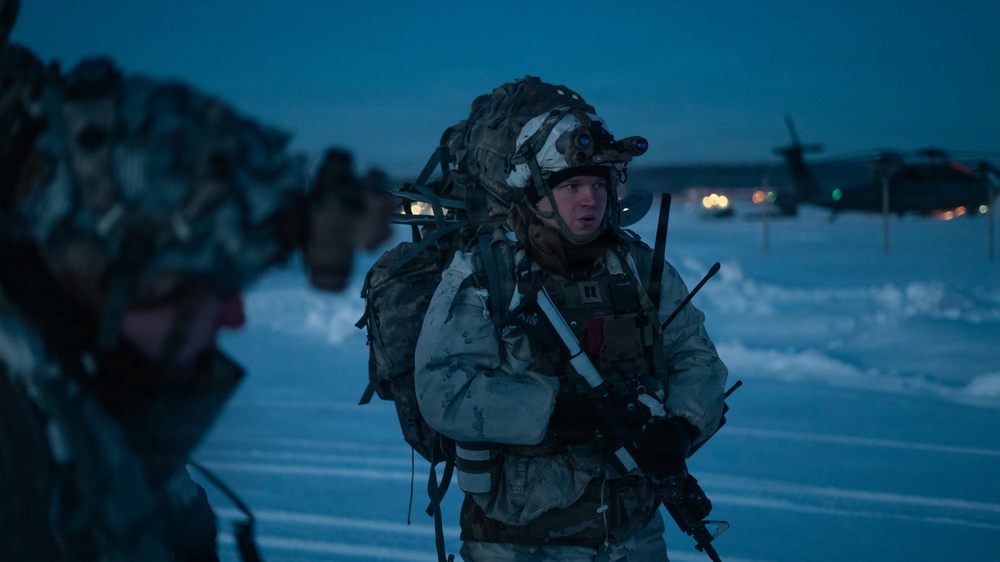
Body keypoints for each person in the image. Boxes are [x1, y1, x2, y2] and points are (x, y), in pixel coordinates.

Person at [0, 8, 394, 559]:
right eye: (210, 283)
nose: (234, 314)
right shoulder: (24, 467)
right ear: (117, 277)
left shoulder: (82, 420)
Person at [413, 89, 729, 561]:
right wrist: (552, 415)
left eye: (600, 186)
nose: (590, 201)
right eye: (571, 186)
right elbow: (442, 389)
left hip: (633, 533)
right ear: (536, 194)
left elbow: (695, 357)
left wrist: (683, 426)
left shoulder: (639, 268)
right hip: (518, 540)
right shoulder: (486, 274)